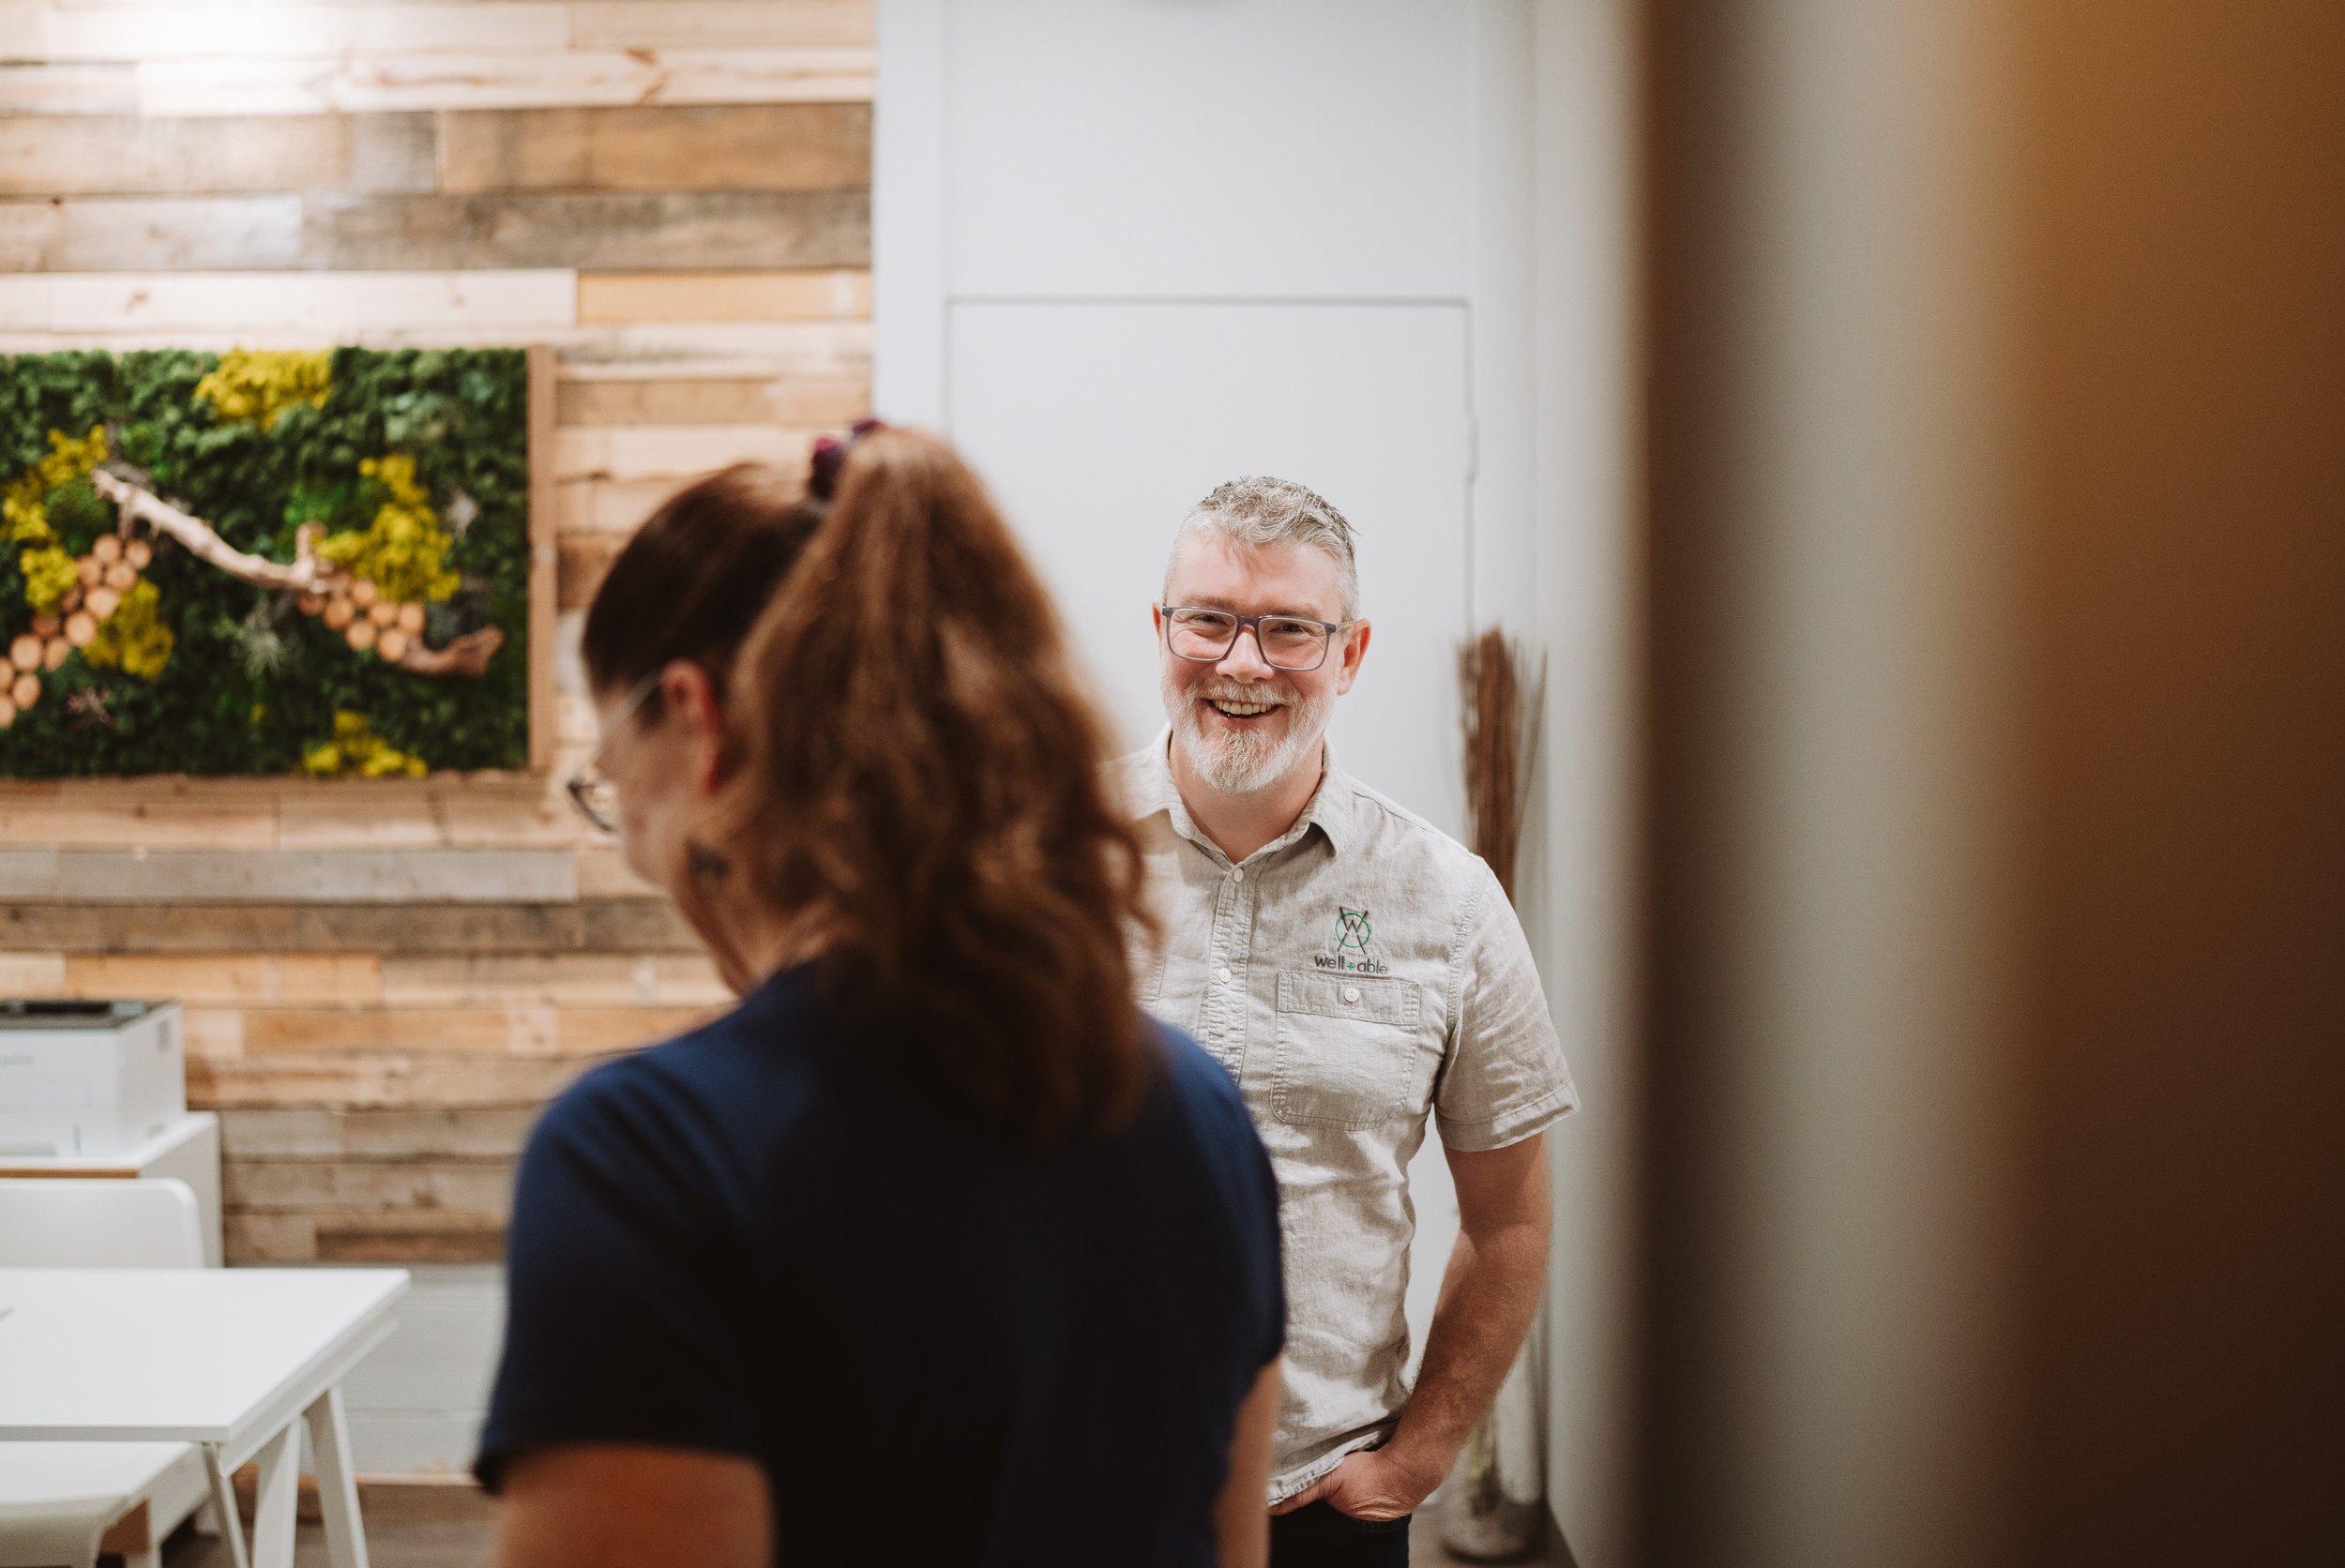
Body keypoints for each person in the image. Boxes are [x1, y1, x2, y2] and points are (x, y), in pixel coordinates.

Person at [477, 433, 1287, 1568]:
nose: (630, 853)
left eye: (614, 785)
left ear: (699, 723)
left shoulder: (649, 1158)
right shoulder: (1200, 1116)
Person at [1120, 476, 1579, 1567]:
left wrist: (1420, 1455)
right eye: (1211, 620)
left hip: (1320, 1508)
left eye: (1288, 630)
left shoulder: (1449, 899)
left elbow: (1508, 1217)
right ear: (1161, 630)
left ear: (1350, 653)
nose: (1241, 663)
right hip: (1073, 1490)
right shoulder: (1035, 863)